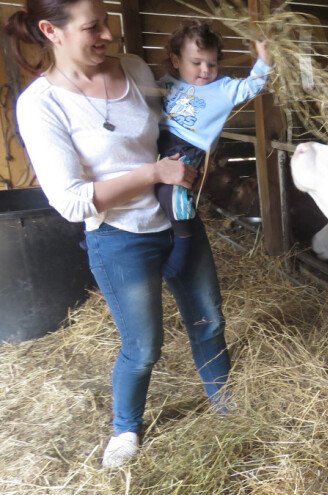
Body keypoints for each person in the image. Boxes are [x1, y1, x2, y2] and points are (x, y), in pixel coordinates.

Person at [4, 0, 231, 469]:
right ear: (52, 30)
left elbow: (172, 133)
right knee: (143, 347)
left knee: (208, 319)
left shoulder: (134, 69)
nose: (108, 35)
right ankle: (126, 427)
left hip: (178, 220)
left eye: (107, 22)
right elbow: (70, 201)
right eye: (94, 27)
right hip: (121, 237)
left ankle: (228, 406)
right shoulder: (42, 103)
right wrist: (154, 173)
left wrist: (197, 153)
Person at [156, 20, 272, 278]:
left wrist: (264, 60)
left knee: (170, 194)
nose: (205, 70)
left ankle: (183, 242)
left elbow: (253, 86)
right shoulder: (166, 83)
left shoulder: (224, 88)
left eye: (212, 63)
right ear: (176, 61)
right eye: (196, 63)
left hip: (188, 148)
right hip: (159, 141)